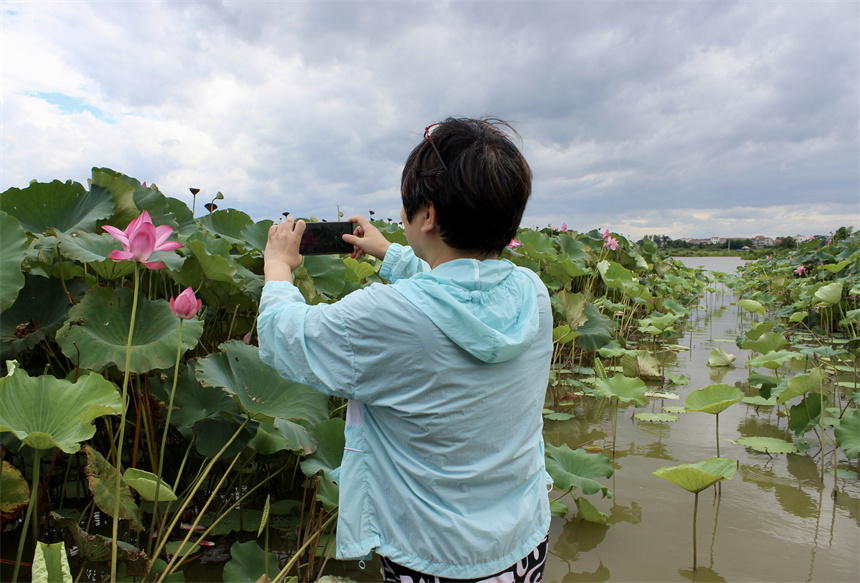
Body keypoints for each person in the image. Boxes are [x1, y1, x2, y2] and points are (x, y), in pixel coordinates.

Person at [258, 117, 553, 582]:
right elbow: (454, 294)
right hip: (523, 542)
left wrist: (278, 267)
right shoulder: (533, 294)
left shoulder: (386, 314)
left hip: (434, 555)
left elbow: (286, 336)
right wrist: (388, 252)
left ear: (429, 215)